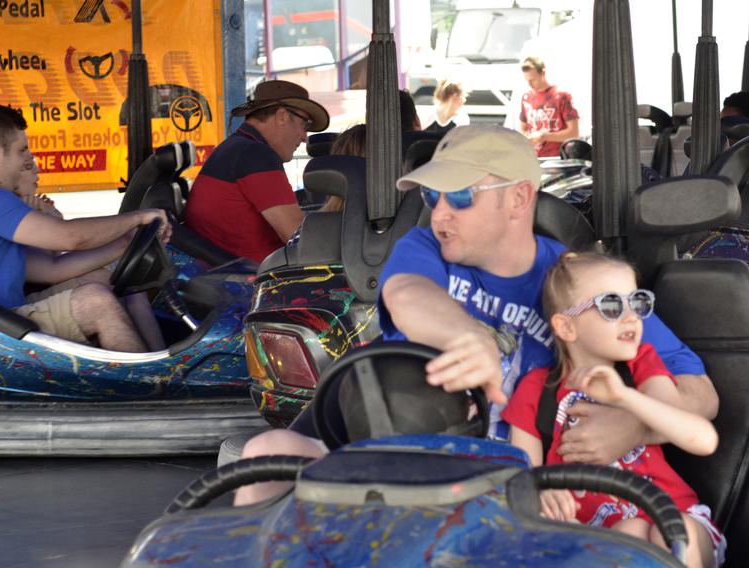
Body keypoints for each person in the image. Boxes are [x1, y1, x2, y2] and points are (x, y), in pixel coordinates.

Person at [233, 125, 718, 505]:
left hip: (505, 478)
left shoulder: (579, 286)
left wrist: (634, 427)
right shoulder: (424, 247)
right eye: (431, 197)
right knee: (264, 456)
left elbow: (701, 396)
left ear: (519, 198)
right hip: (386, 445)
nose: (440, 213)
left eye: (460, 196)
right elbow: (407, 293)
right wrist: (470, 335)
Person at [502, 252, 724, 568]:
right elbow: (521, 470)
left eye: (637, 303)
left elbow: (702, 439)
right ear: (567, 327)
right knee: (627, 533)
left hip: (676, 514)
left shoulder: (642, 366)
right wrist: (539, 491)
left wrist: (626, 397)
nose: (631, 316)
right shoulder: (536, 390)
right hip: (598, 534)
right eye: (611, 306)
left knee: (671, 533)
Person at [0, 105, 171, 352]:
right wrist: (138, 217)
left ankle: (161, 367)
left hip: (9, 317)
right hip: (5, 329)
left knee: (108, 277)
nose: (27, 162)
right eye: (21, 151)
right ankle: (145, 386)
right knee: (95, 302)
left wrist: (125, 242)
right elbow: (70, 238)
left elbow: (51, 269)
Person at [184, 80, 330, 263]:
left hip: (230, 272)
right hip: (251, 282)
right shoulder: (255, 156)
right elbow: (300, 238)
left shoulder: (238, 148)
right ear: (282, 116)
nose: (304, 138)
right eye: (304, 125)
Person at [518, 56, 580, 158]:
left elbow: (574, 132)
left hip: (558, 157)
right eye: (527, 80)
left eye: (533, 80)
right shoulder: (526, 97)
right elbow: (523, 128)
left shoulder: (561, 96)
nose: (529, 84)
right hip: (533, 157)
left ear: (543, 73)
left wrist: (545, 136)